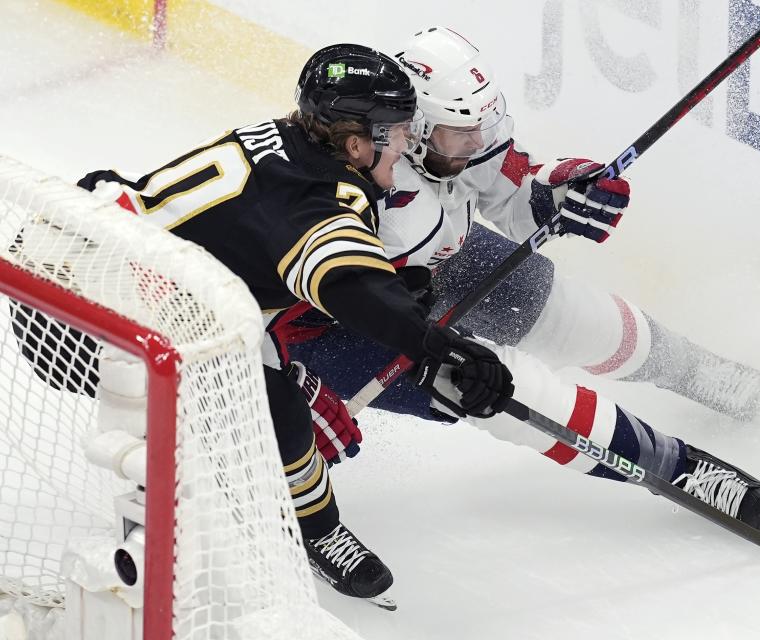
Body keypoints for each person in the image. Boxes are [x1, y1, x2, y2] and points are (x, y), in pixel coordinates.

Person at [272, 34, 760, 536]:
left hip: (445, 262)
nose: (479, 143)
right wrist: (291, 385)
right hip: (345, 328)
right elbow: (266, 294)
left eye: (485, 126)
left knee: (584, 319)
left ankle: (699, 372)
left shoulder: (451, 140)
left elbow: (516, 181)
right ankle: (679, 468)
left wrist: (568, 187)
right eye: (462, 133)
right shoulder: (346, 190)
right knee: (510, 393)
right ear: (414, 129)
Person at [76, 43, 517, 609]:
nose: (407, 143)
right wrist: (435, 344)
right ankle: (283, 532)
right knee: (273, 411)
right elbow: (346, 280)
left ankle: (243, 480)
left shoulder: (282, 137)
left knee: (266, 383)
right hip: (101, 320)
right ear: (357, 141)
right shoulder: (324, 197)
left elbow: (258, 255)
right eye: (400, 131)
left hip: (99, 261)